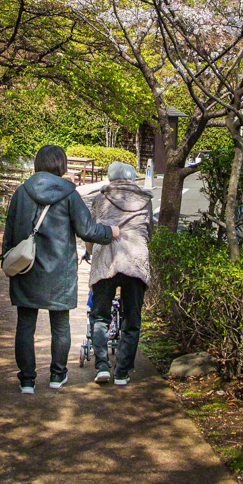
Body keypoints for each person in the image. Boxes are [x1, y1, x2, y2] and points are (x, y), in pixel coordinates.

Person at [2, 144, 118, 394]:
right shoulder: (70, 195)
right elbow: (87, 230)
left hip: (26, 267)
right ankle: (57, 375)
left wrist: (6, 259)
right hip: (60, 271)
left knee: (25, 324)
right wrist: (111, 232)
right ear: (62, 165)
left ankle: (27, 381)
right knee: (61, 325)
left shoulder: (21, 193)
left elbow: (9, 231)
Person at [86, 161, 152, 386]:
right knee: (131, 319)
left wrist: (88, 253)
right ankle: (122, 372)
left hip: (107, 258)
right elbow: (149, 230)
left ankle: (102, 366)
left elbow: (91, 231)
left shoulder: (99, 199)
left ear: (110, 177)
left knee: (100, 315)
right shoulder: (145, 200)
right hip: (135, 259)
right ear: (133, 177)